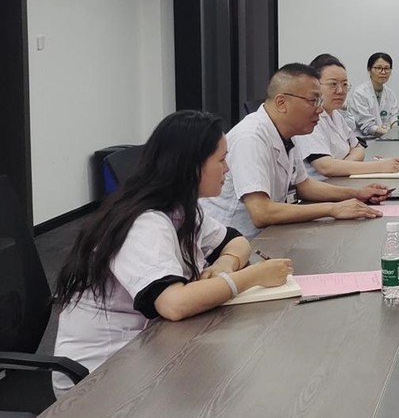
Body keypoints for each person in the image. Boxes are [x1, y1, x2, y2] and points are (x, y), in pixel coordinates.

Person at [51, 111, 294, 394]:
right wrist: (251, 277)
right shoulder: (145, 222)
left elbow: (235, 241)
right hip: (100, 377)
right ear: (192, 166)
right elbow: (174, 304)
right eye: (220, 160)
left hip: (149, 345)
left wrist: (226, 264)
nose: (227, 169)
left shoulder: (182, 207)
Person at [200, 63, 389, 238]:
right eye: (314, 100)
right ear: (281, 103)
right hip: (235, 242)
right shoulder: (250, 137)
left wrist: (356, 194)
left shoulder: (287, 132)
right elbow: (261, 212)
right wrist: (333, 209)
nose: (319, 109)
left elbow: (304, 186)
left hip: (270, 235)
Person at [296, 54, 399, 178]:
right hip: (323, 185)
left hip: (340, 180)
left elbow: (359, 149)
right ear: (314, 84)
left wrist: (341, 166)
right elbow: (326, 167)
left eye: (345, 84)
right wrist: (379, 166)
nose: (341, 91)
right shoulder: (308, 119)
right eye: (333, 84)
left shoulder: (336, 115)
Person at [345, 51, 399, 139]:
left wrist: (396, 130)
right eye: (378, 68)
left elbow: (395, 118)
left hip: (386, 139)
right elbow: (367, 126)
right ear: (369, 70)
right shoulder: (359, 93)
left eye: (387, 68)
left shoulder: (390, 94)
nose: (383, 72)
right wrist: (389, 133)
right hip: (366, 141)